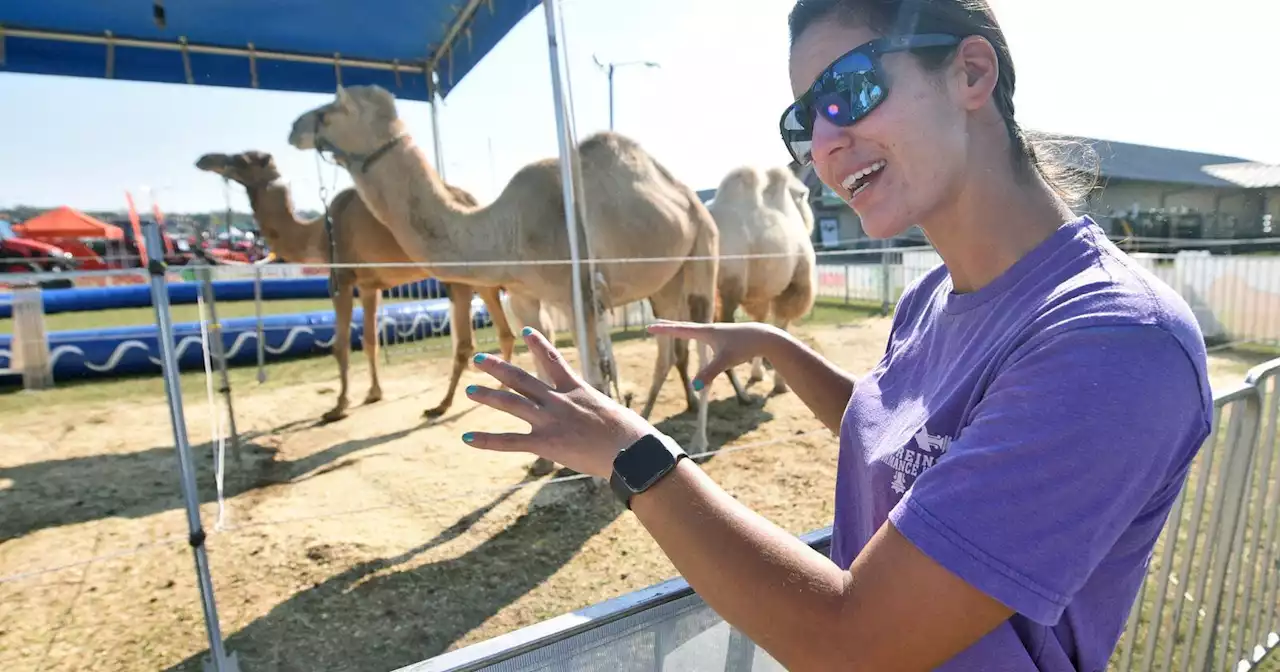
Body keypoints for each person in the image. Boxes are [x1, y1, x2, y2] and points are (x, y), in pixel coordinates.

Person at [458, 0, 1214, 668]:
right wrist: (776, 346)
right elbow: (912, 442)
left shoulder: (1115, 342)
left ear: (972, 73)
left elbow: (852, 642)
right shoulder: (933, 298)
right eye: (802, 122)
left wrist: (635, 456)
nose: (822, 145)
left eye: (848, 91)